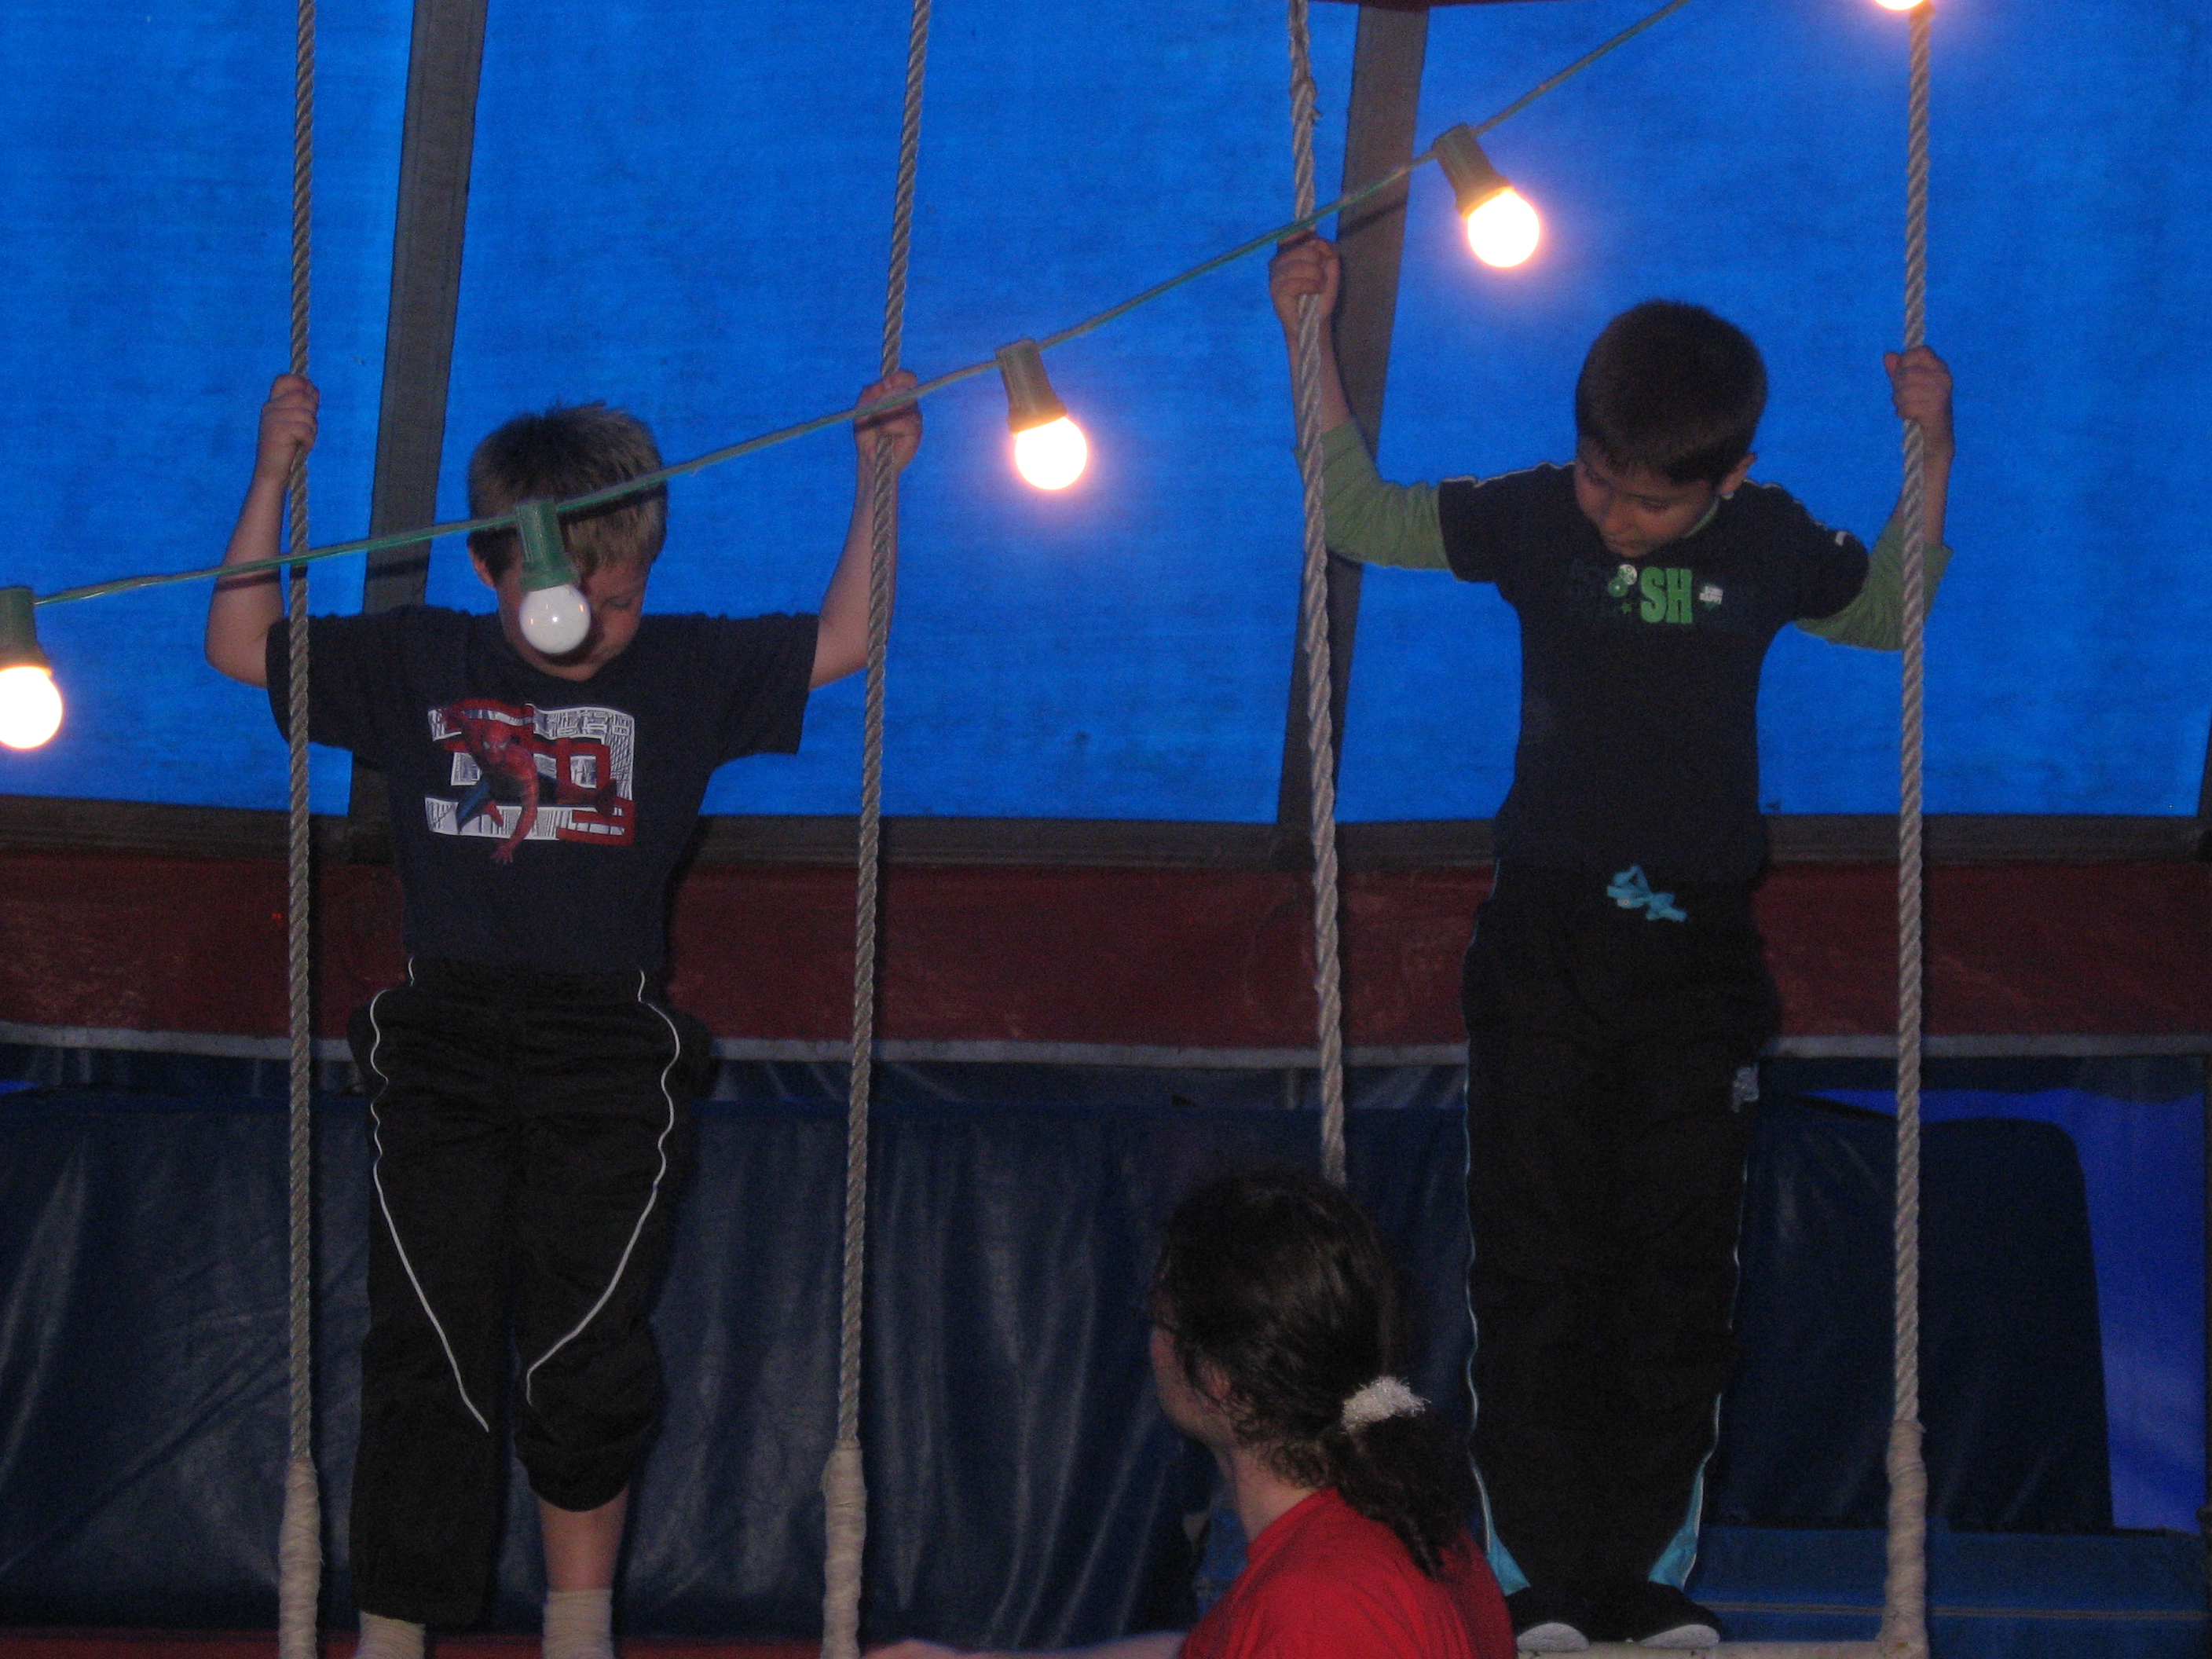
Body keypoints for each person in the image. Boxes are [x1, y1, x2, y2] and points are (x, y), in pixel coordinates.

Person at [1269, 236, 1955, 1652]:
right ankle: (1535, 1580)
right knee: (1533, 1266)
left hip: (1697, 966)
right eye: (1598, 480)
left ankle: (1643, 1577)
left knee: (1672, 1275)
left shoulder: (1769, 541)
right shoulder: (1536, 519)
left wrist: (1934, 444)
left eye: (1648, 501)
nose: (1614, 516)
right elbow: (1358, 514)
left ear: (1727, 479)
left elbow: (1890, 613)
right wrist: (1309, 332)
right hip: (1546, 947)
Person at [205, 368, 921, 1659]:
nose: (598, 625)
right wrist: (271, 476)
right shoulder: (423, 658)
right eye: (567, 599)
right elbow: (237, 642)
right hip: (443, 1037)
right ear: (493, 566)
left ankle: (578, 1629)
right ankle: (394, 1632)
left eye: (624, 597)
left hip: (606, 1044)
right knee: (428, 1337)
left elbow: (845, 638)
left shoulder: (682, 668)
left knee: (583, 1347)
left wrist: (880, 478)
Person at [870, 1166, 1515, 1659]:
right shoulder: (1402, 1536)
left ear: (1217, 1376)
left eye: (1160, 1319)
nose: (1152, 1343)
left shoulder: (1321, 1605)